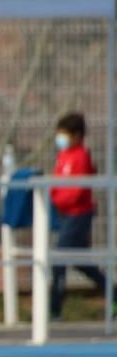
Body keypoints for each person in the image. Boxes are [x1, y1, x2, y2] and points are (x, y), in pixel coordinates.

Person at [50, 112, 110, 319]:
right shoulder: (63, 156)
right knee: (80, 261)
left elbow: (77, 190)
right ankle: (114, 294)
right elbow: (56, 185)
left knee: (58, 258)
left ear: (77, 136)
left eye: (64, 135)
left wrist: (59, 199)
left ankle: (54, 309)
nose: (61, 139)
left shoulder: (81, 157)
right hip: (65, 215)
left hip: (78, 215)